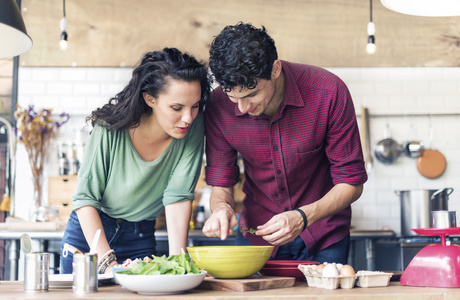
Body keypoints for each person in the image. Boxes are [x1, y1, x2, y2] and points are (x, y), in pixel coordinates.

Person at [202, 22, 367, 264]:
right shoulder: (218, 106)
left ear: (276, 69)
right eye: (232, 97)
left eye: (251, 95)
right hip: (256, 237)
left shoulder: (328, 91)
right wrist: (222, 209)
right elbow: (221, 186)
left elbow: (352, 183)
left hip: (324, 235)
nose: (242, 108)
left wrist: (303, 216)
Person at [60, 47, 211, 274]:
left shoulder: (193, 127)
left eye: (195, 106)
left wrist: (180, 264)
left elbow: (178, 196)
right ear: (150, 99)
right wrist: (107, 263)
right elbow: (85, 198)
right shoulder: (110, 128)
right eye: (177, 108)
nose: (188, 117)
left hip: (140, 237)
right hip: (91, 236)